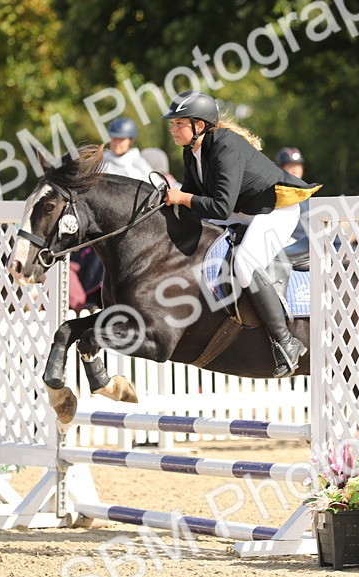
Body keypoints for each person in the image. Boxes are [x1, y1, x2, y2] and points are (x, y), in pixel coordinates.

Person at [161, 91, 320, 377]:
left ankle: (287, 341)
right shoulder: (192, 151)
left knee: (245, 263)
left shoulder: (225, 146)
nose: (173, 128)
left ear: (200, 125)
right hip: (242, 210)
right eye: (173, 124)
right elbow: (193, 201)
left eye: (179, 123)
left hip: (274, 211)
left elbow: (220, 207)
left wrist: (182, 198)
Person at [102, 118, 154, 182]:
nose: (117, 144)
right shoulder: (101, 164)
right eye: (115, 139)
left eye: (121, 139)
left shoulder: (139, 164)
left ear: (131, 141)